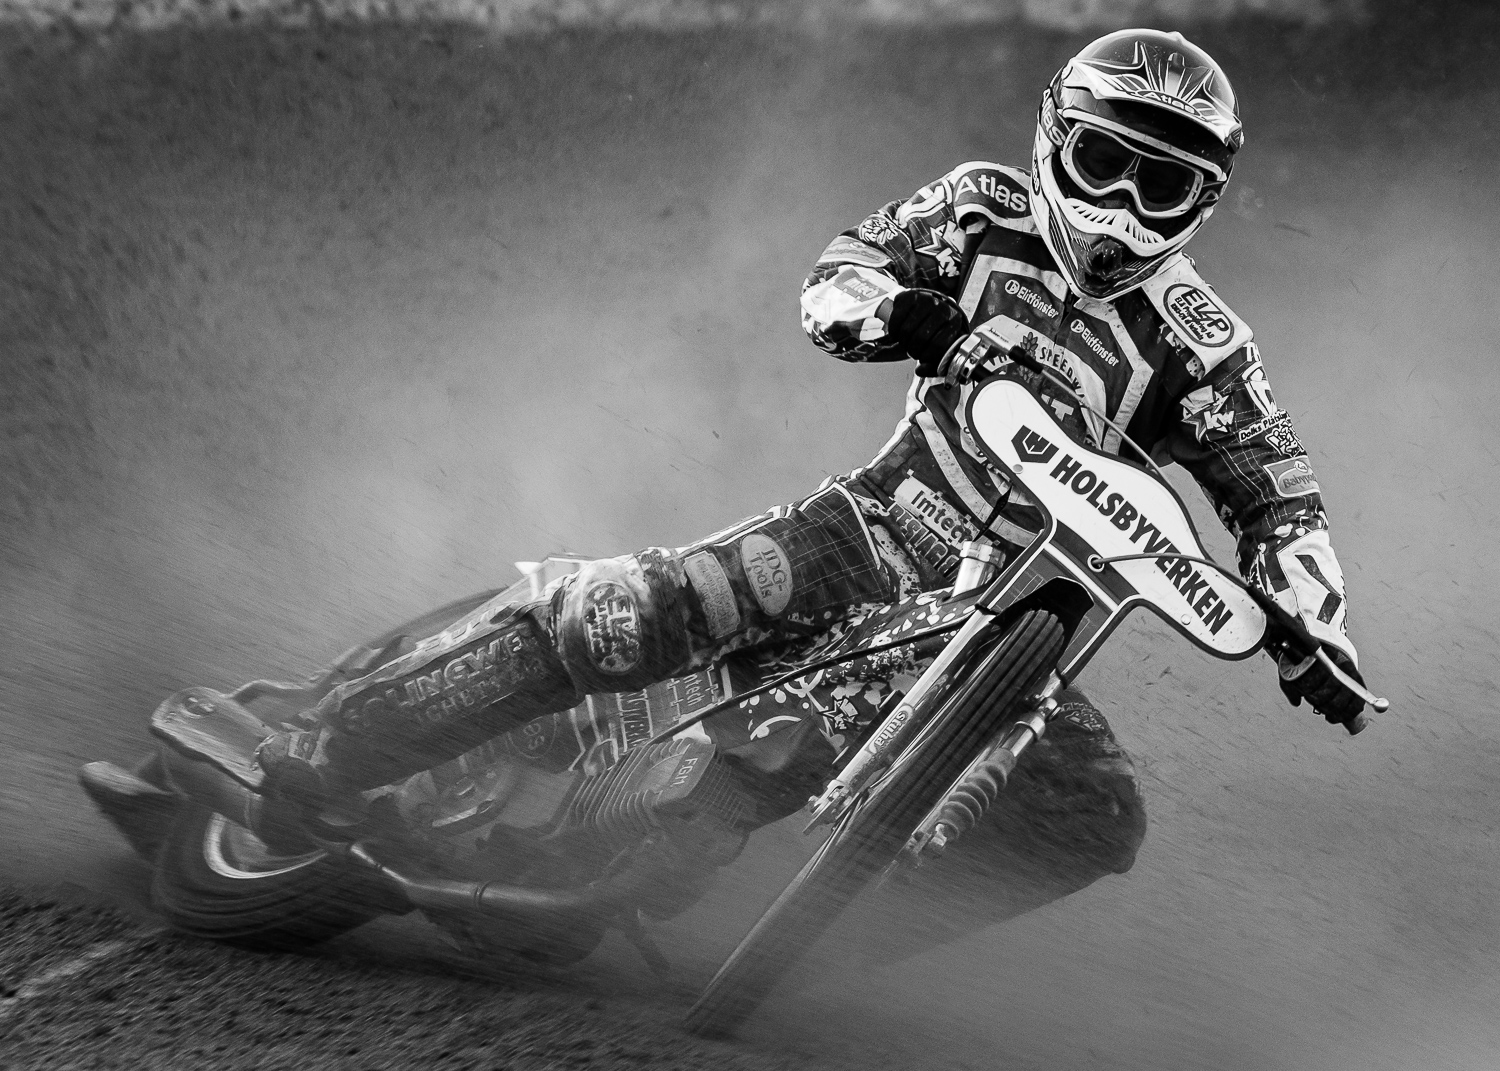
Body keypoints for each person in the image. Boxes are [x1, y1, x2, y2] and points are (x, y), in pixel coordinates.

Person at [99, 29, 1366, 922]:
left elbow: (1281, 498)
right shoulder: (981, 211)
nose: (1123, 206)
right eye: (1102, 164)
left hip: (1011, 630)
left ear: (1204, 202)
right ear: (1051, 144)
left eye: (1163, 184)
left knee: (1098, 819)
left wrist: (1315, 625)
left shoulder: (1205, 347)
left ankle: (831, 949)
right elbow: (839, 277)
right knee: (627, 615)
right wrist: (910, 315)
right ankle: (327, 752)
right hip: (873, 531)